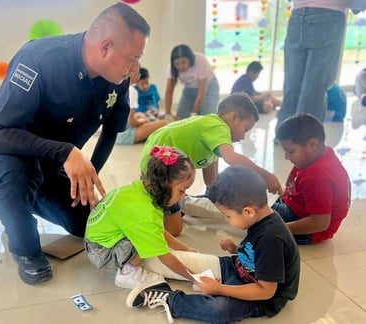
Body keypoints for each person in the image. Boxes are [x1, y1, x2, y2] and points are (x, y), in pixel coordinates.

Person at [0, 2, 150, 285]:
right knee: (17, 178)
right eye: (133, 58)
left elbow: (112, 131)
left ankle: (26, 197)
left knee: (84, 222)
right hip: (7, 150)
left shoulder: (117, 79)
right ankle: (23, 243)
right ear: (105, 48)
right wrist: (65, 151)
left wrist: (89, 178)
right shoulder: (40, 59)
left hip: (53, 162)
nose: (135, 69)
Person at [127, 166, 300, 324]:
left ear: (248, 211)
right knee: (192, 262)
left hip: (260, 297)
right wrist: (235, 249)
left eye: (227, 216)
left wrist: (221, 289)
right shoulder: (260, 218)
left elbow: (266, 291)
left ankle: (168, 299)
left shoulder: (272, 239)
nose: (226, 220)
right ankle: (148, 267)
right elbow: (256, 252)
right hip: (238, 268)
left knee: (219, 310)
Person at [140, 93, 283, 236]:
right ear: (234, 117)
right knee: (175, 230)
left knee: (181, 210)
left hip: (161, 167)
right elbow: (232, 158)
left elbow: (211, 180)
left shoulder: (212, 135)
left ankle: (168, 203)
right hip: (157, 171)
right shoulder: (217, 126)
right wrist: (266, 176)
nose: (243, 137)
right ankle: (153, 205)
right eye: (245, 129)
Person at [84, 146, 200, 289]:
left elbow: (156, 229)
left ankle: (132, 261)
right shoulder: (145, 213)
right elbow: (165, 257)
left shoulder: (142, 189)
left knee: (148, 234)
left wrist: (184, 248)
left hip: (97, 240)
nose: (183, 196)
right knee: (146, 238)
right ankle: (127, 274)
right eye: (182, 190)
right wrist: (195, 278)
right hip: (101, 251)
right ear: (164, 185)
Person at [273, 113, 351, 244]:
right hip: (300, 208)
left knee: (257, 221)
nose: (286, 157)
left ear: (313, 145)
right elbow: (291, 181)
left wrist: (279, 229)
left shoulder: (318, 176)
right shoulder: (314, 156)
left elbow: (320, 223)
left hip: (312, 230)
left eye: (290, 151)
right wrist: (282, 199)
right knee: (258, 210)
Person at [274, 1, 347, 138]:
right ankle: (303, 142)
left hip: (298, 14)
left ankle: (284, 137)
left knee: (292, 86)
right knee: (314, 88)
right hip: (329, 15)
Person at [164, 44, 220, 120]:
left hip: (208, 89)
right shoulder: (171, 68)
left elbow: (201, 93)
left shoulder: (200, 61)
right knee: (181, 118)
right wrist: (168, 113)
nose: (181, 67)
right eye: (177, 64)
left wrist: (193, 114)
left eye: (184, 62)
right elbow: (169, 91)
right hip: (189, 90)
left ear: (190, 59)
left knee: (206, 118)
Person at [116, 72, 168, 145]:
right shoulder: (132, 91)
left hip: (116, 133)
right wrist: (143, 121)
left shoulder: (120, 86)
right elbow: (132, 122)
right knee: (164, 123)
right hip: (124, 135)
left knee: (142, 116)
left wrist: (139, 117)